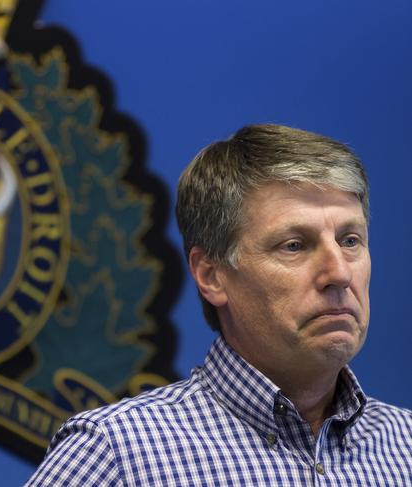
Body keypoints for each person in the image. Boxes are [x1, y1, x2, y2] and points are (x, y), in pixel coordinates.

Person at [25, 124, 412, 486]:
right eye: (294, 245)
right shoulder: (116, 455)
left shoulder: (405, 446)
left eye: (350, 241)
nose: (339, 273)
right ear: (211, 275)